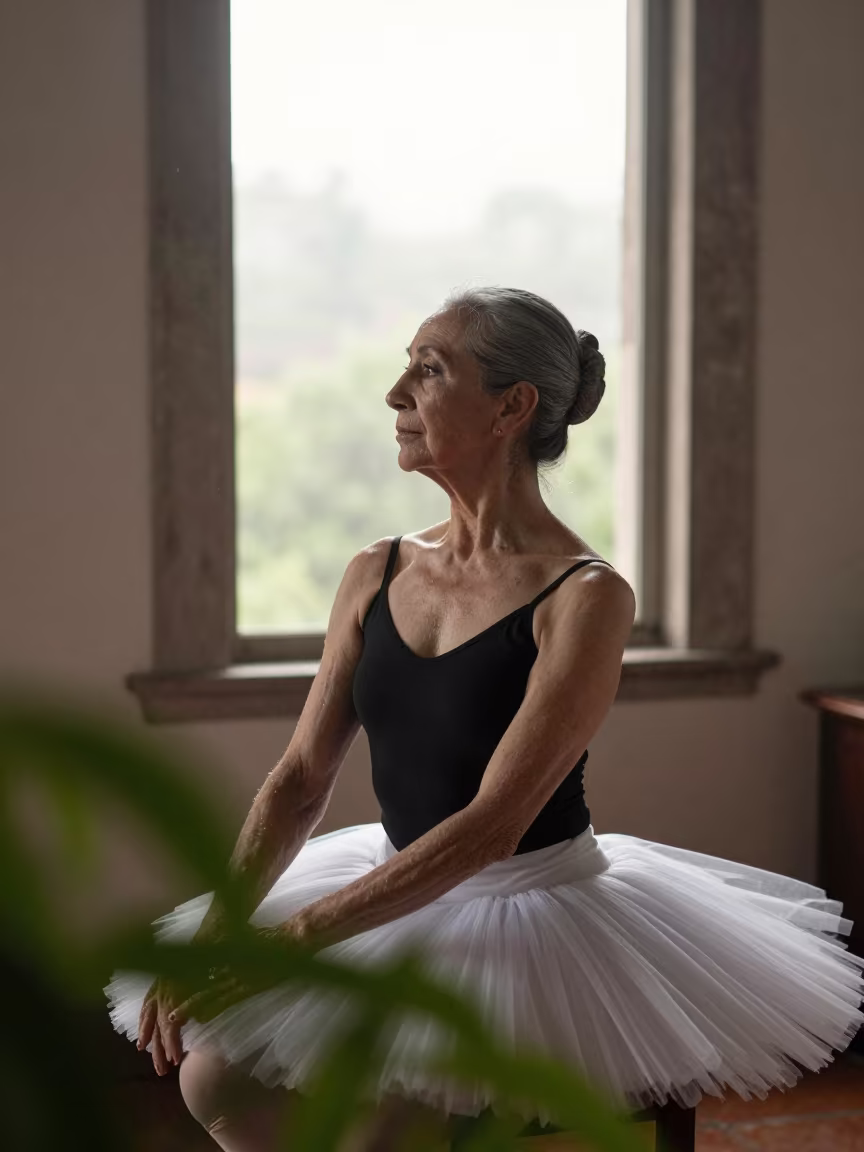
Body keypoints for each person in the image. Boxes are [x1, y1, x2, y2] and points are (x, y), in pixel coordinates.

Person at [106, 287, 864, 1150]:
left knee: (381, 1128)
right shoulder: (376, 568)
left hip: (524, 908)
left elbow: (491, 828)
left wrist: (302, 937)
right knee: (215, 1076)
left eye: (428, 371)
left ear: (513, 406)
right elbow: (299, 779)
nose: (396, 395)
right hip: (389, 875)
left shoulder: (586, 596)